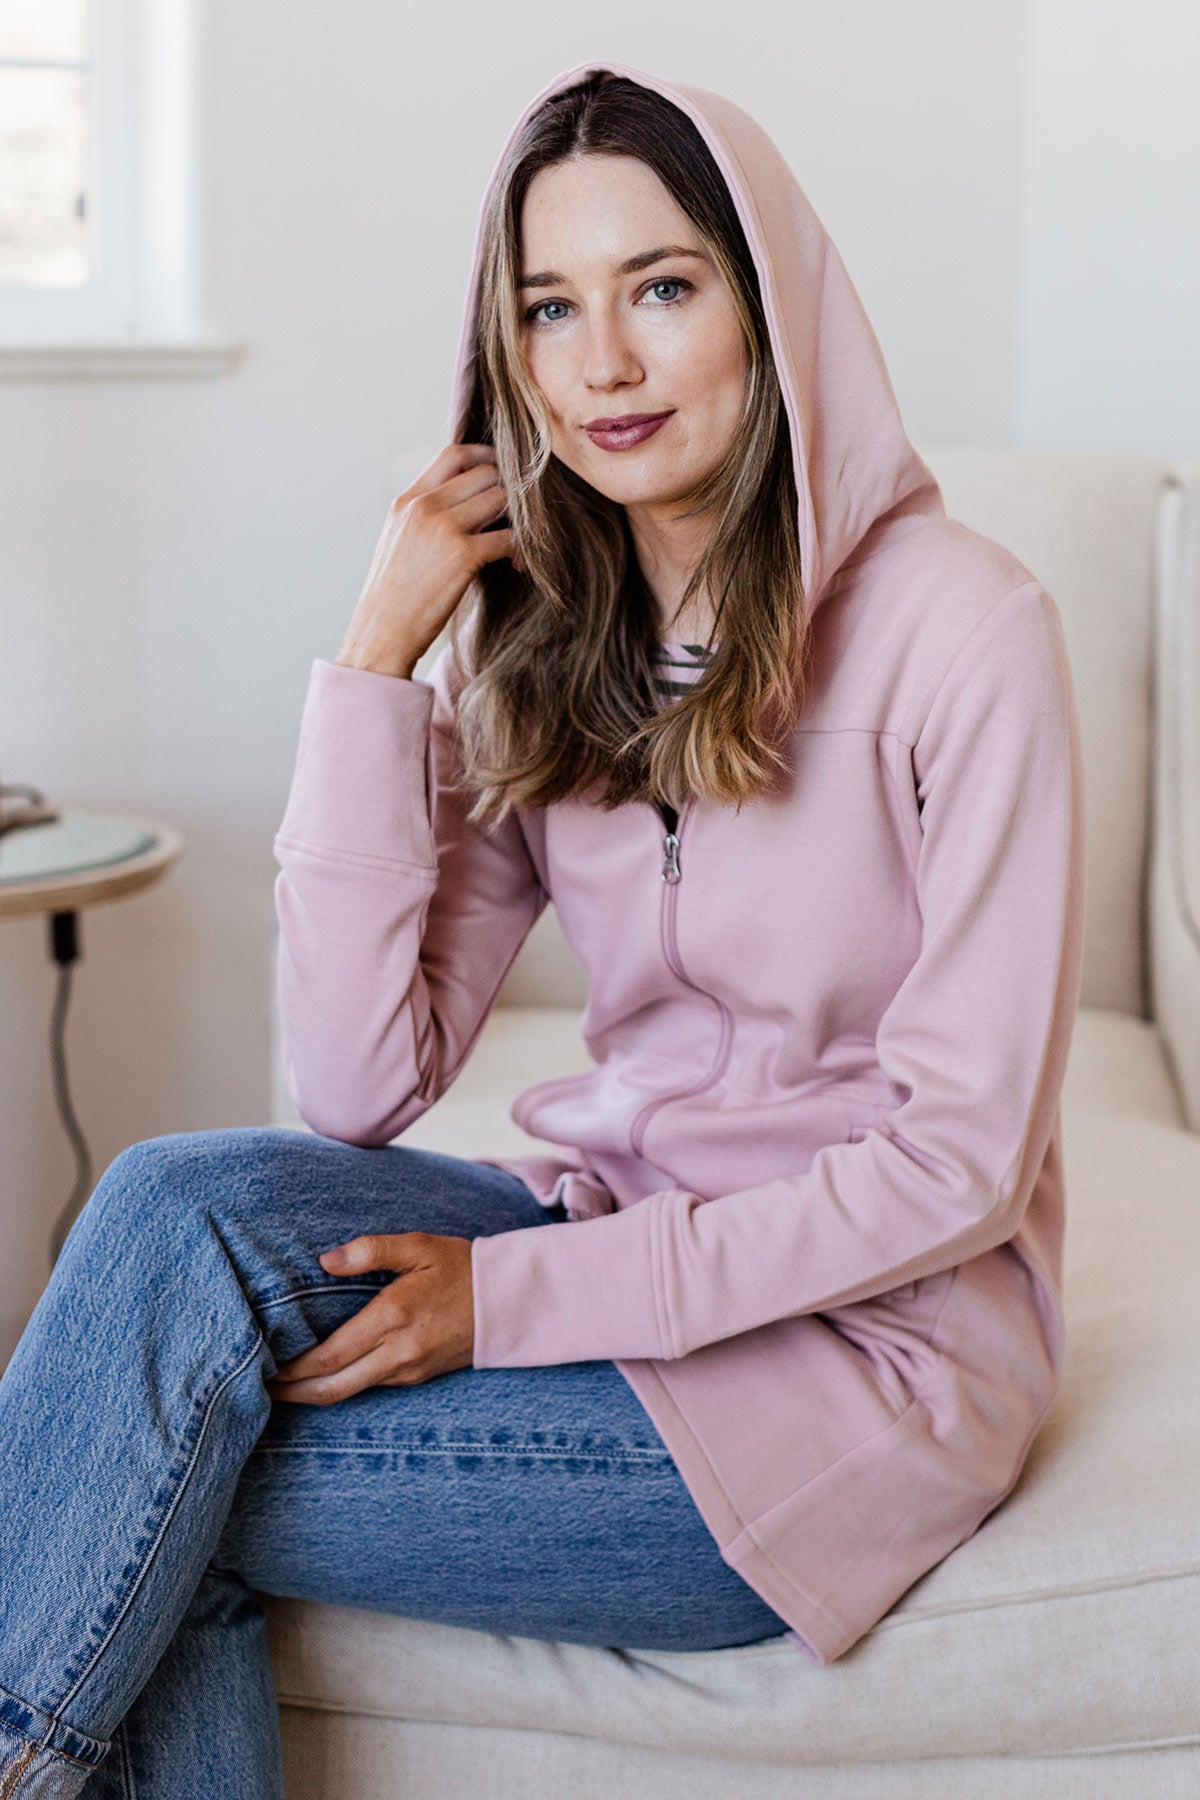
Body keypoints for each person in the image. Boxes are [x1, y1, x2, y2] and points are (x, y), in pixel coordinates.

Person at [0, 59, 1086, 1798]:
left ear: (773, 307)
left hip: (854, 1374)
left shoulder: (969, 633)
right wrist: (373, 660)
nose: (604, 365)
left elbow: (954, 1164)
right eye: (548, 310)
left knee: (130, 1476)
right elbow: (357, 1085)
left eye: (662, 287)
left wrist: (513, 1299)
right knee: (165, 1209)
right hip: (620, 1236)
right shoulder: (557, 636)